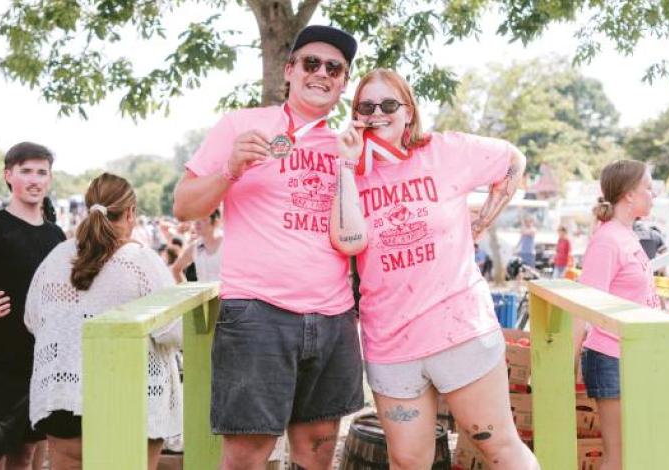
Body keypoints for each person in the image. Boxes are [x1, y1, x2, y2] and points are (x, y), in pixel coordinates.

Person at [172, 25, 363, 469]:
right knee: (246, 456)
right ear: (289, 70)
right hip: (258, 313)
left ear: (343, 82)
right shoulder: (242, 125)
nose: (322, 73)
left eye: (334, 68)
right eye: (311, 63)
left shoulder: (347, 144)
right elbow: (183, 205)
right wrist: (230, 169)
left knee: (317, 453)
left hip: (333, 317)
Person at [329, 69, 538, 469]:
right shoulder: (353, 171)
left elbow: (513, 159)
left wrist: (485, 219)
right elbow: (350, 241)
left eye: (388, 104)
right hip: (390, 342)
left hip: (459, 329)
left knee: (499, 447)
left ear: (408, 111)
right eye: (366, 106)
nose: (377, 113)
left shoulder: (445, 151)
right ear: (355, 115)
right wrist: (345, 166)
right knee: (407, 461)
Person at [24, 173, 182, 470]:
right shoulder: (141, 263)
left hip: (63, 395)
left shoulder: (56, 258)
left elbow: (32, 319)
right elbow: (174, 331)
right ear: (131, 212)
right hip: (130, 399)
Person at [0, 142, 66, 470]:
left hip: (41, 366)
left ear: (49, 178)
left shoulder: (57, 237)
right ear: (8, 175)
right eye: (26, 171)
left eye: (41, 172)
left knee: (24, 457)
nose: (35, 179)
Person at [574, 159, 660, 470]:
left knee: (636, 452)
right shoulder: (607, 240)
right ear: (629, 195)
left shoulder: (627, 234)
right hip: (611, 356)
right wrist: (572, 361)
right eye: (648, 188)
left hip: (635, 354)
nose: (653, 194)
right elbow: (583, 305)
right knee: (618, 458)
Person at [171, 209, 223, 283]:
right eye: (195, 218)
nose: (197, 222)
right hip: (205, 290)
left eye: (203, 219)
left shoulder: (228, 243)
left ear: (215, 222)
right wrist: (187, 288)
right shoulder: (194, 247)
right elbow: (176, 269)